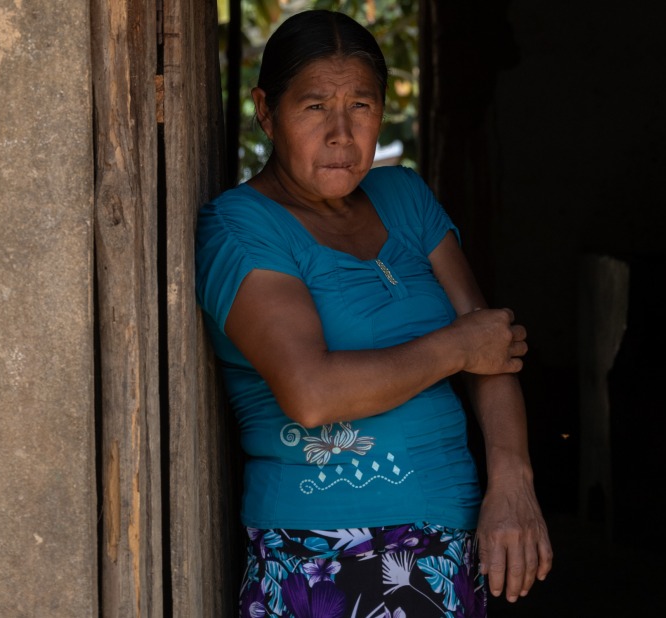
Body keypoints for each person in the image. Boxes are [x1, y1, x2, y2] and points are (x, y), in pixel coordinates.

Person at [196, 10, 552, 617]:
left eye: (360, 106)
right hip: (321, 553)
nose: (341, 132)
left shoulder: (405, 197)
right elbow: (311, 392)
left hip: (451, 546)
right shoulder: (241, 225)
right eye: (314, 107)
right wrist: (456, 347)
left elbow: (493, 349)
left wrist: (513, 483)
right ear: (264, 108)